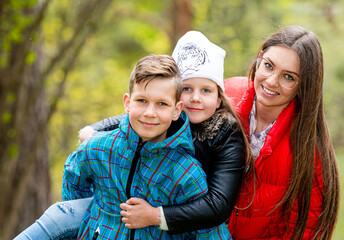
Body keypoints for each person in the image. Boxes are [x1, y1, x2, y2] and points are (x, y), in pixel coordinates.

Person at [15, 53, 233, 240]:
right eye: (142, 101)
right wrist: (89, 228)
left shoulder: (186, 173)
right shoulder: (100, 147)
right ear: (127, 103)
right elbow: (74, 174)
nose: (150, 112)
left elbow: (210, 232)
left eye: (162, 104)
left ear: (177, 110)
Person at [225, 25, 340, 239]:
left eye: (288, 77)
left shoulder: (309, 150)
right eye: (268, 66)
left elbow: (305, 230)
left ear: (303, 85)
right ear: (259, 59)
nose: (271, 81)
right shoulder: (225, 94)